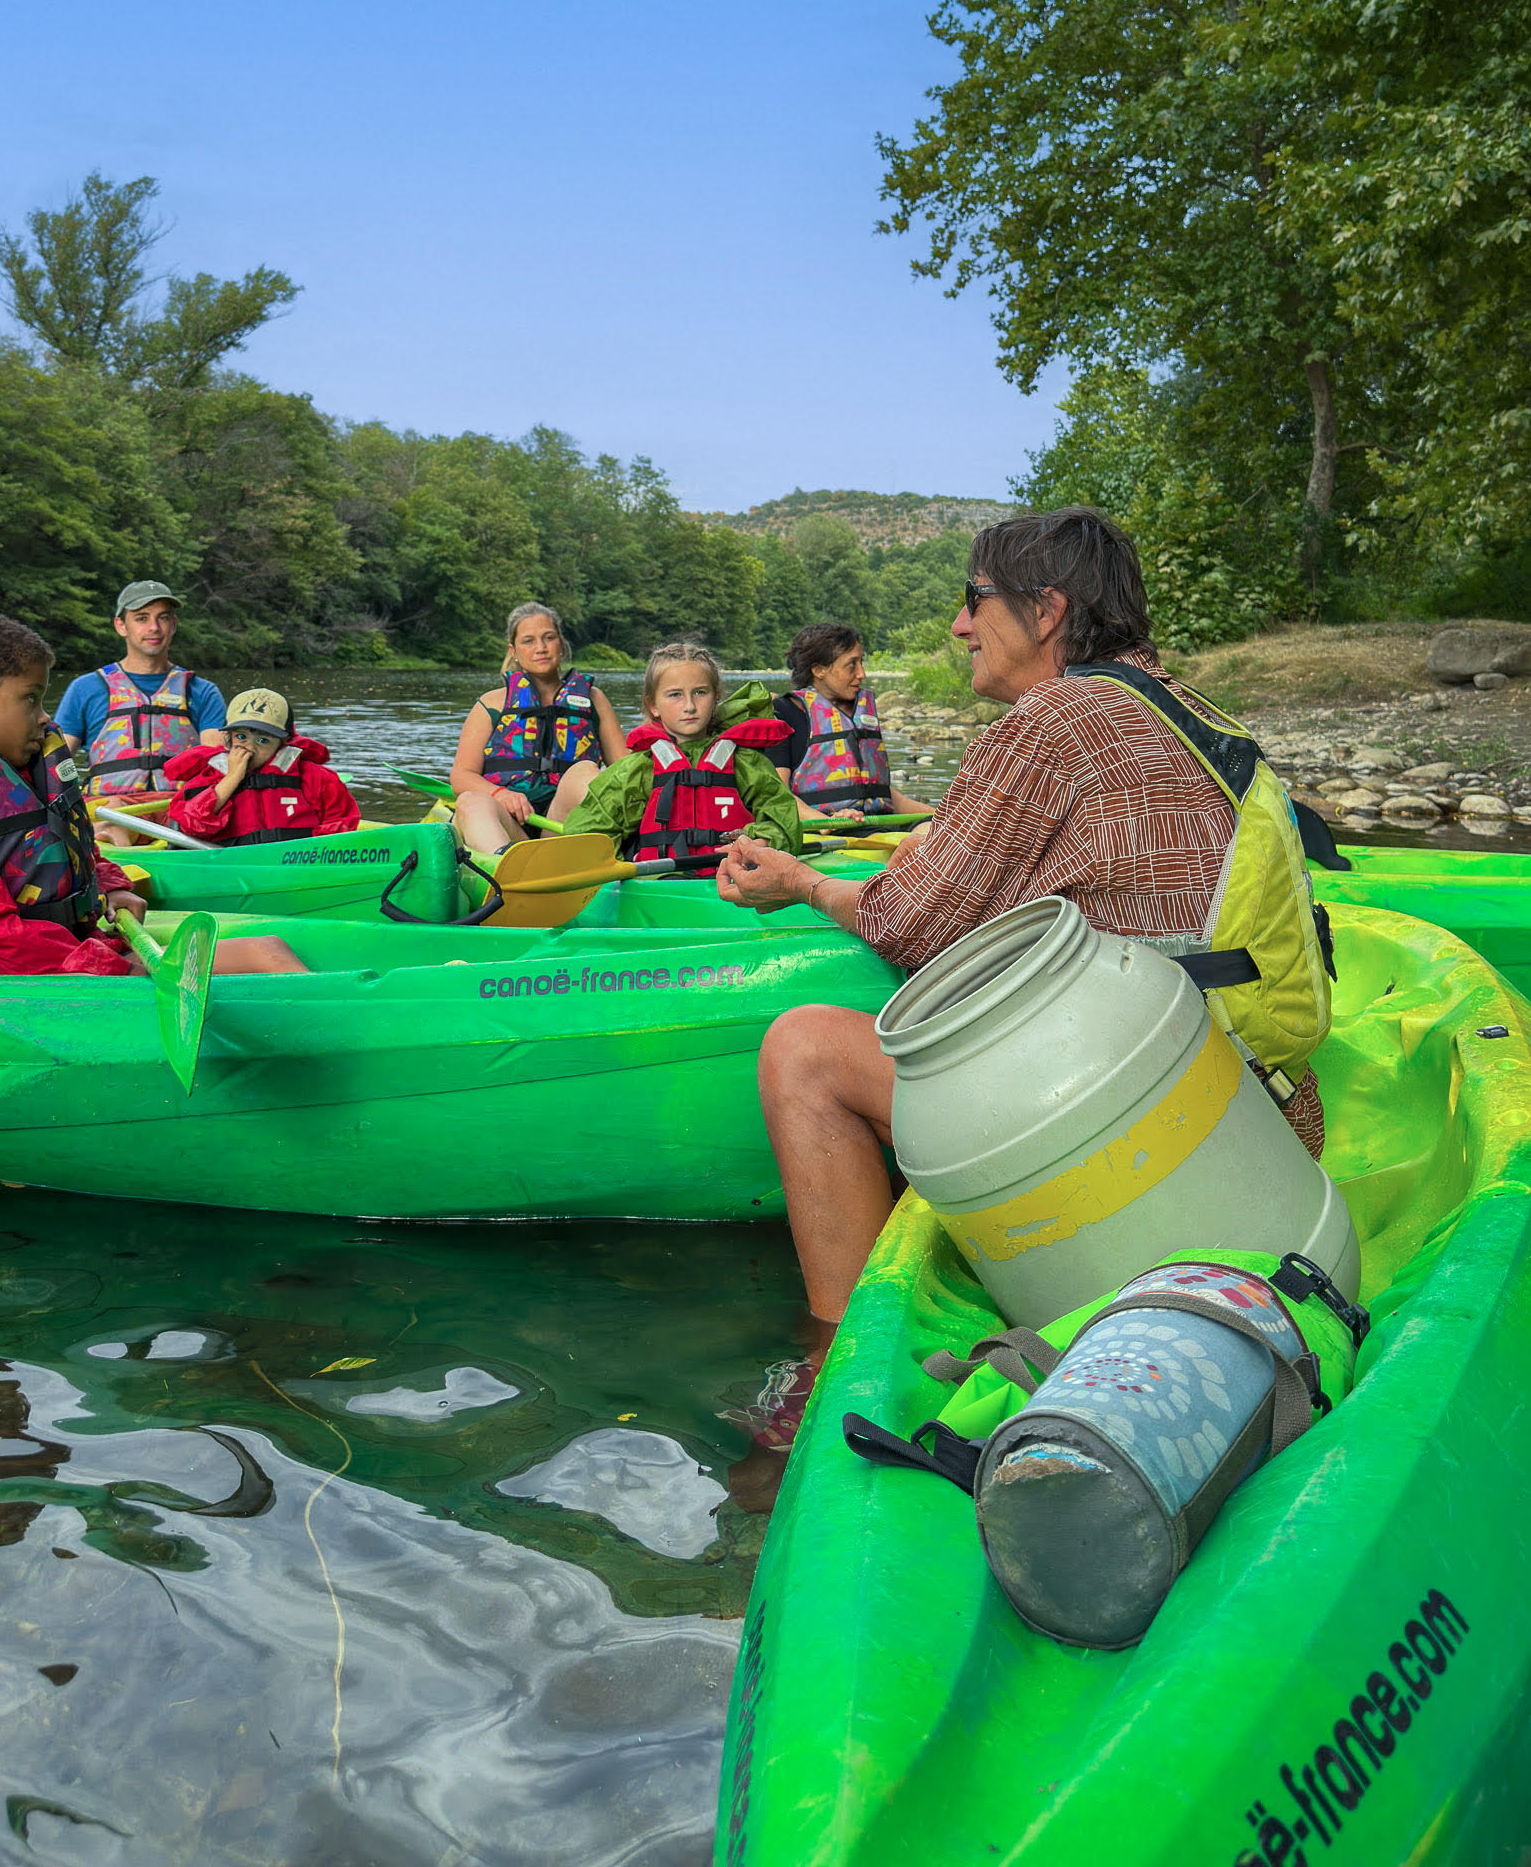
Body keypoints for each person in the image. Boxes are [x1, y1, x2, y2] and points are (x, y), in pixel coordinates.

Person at [715, 507, 1332, 1455]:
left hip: (1160, 1142)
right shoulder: (1183, 706)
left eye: (974, 600)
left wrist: (800, 882)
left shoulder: (1052, 720)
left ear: (1045, 611)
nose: (961, 626)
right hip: (1268, 1113)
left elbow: (907, 922)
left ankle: (834, 1364)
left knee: (803, 1051)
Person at [0, 611, 302, 978]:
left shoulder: (19, 770)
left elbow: (66, 845)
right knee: (266, 957)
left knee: (270, 949)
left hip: (71, 955)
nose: (45, 717)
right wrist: (114, 968)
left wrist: (111, 884)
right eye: (31, 699)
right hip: (16, 980)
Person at [562, 642, 803, 868]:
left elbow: (782, 820)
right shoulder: (639, 768)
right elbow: (588, 829)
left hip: (735, 877)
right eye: (675, 695)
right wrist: (614, 870)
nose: (689, 706)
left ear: (716, 696)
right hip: (660, 883)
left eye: (700, 692)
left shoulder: (747, 762)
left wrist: (762, 842)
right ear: (653, 706)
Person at [53, 581, 226, 843]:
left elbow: (217, 764)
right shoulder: (86, 689)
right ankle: (113, 871)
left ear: (173, 625)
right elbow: (56, 762)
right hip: (113, 807)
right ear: (121, 625)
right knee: (111, 820)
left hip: (181, 807)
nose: (154, 628)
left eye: (163, 618)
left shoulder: (202, 691)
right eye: (142, 618)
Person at [449, 602, 626, 852]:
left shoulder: (594, 700)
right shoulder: (491, 703)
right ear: (514, 650)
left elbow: (623, 771)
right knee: (469, 801)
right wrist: (500, 794)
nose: (540, 648)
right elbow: (461, 776)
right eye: (528, 641)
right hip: (510, 826)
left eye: (549, 638)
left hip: (562, 827)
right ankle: (506, 872)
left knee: (586, 771)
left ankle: (600, 856)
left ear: (561, 644)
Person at [773, 622, 934, 823]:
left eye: (861, 663)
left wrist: (942, 817)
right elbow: (776, 794)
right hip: (825, 831)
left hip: (878, 826)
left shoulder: (859, 711)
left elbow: (878, 792)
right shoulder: (784, 713)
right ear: (819, 670)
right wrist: (826, 822)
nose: (861, 674)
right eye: (852, 664)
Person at [163, 687, 360, 844]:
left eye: (263, 740)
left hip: (299, 867)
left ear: (284, 742)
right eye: (241, 737)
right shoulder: (208, 778)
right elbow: (192, 825)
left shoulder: (316, 777)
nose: (250, 748)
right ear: (228, 738)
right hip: (234, 869)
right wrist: (230, 779)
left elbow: (340, 823)